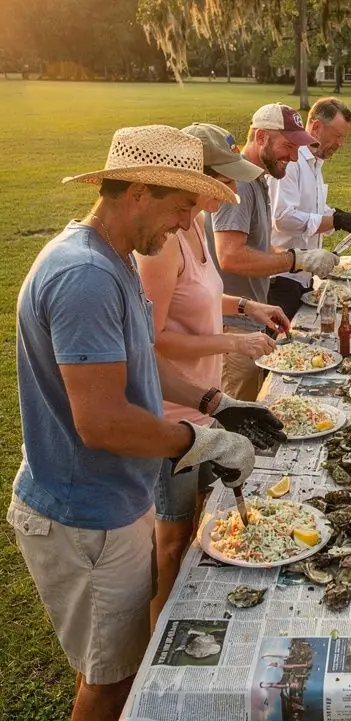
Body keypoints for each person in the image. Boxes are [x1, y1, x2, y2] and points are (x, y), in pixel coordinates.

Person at [7, 126, 263, 721]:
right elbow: (102, 421)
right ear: (141, 192)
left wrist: (213, 401)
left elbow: (139, 371)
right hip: (82, 512)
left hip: (112, 502)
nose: (189, 223)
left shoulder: (112, 258)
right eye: (184, 206)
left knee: (121, 654)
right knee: (107, 676)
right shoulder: (85, 276)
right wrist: (199, 441)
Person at [136, 124, 289, 622]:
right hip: (172, 412)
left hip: (204, 401)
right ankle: (158, 635)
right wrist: (232, 340)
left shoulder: (195, 225)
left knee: (203, 516)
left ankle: (189, 612)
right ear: (192, 180)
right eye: (220, 181)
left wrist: (245, 306)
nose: (227, 191)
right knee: (172, 534)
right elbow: (153, 339)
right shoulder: (162, 244)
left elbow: (199, 297)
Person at [209, 104, 339, 400]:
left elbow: (260, 246)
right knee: (238, 410)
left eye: (297, 149)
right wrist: (295, 259)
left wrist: (300, 259)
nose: (293, 157)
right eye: (288, 146)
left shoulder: (257, 180)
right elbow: (229, 256)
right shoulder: (241, 183)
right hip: (232, 325)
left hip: (250, 317)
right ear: (261, 137)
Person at [268, 96, 351, 317]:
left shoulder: (314, 161)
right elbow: (282, 218)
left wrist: (346, 217)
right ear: (317, 127)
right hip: (282, 278)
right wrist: (336, 220)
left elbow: (313, 210)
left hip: (303, 276)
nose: (341, 144)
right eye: (338, 136)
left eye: (344, 137)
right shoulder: (291, 162)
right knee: (283, 335)